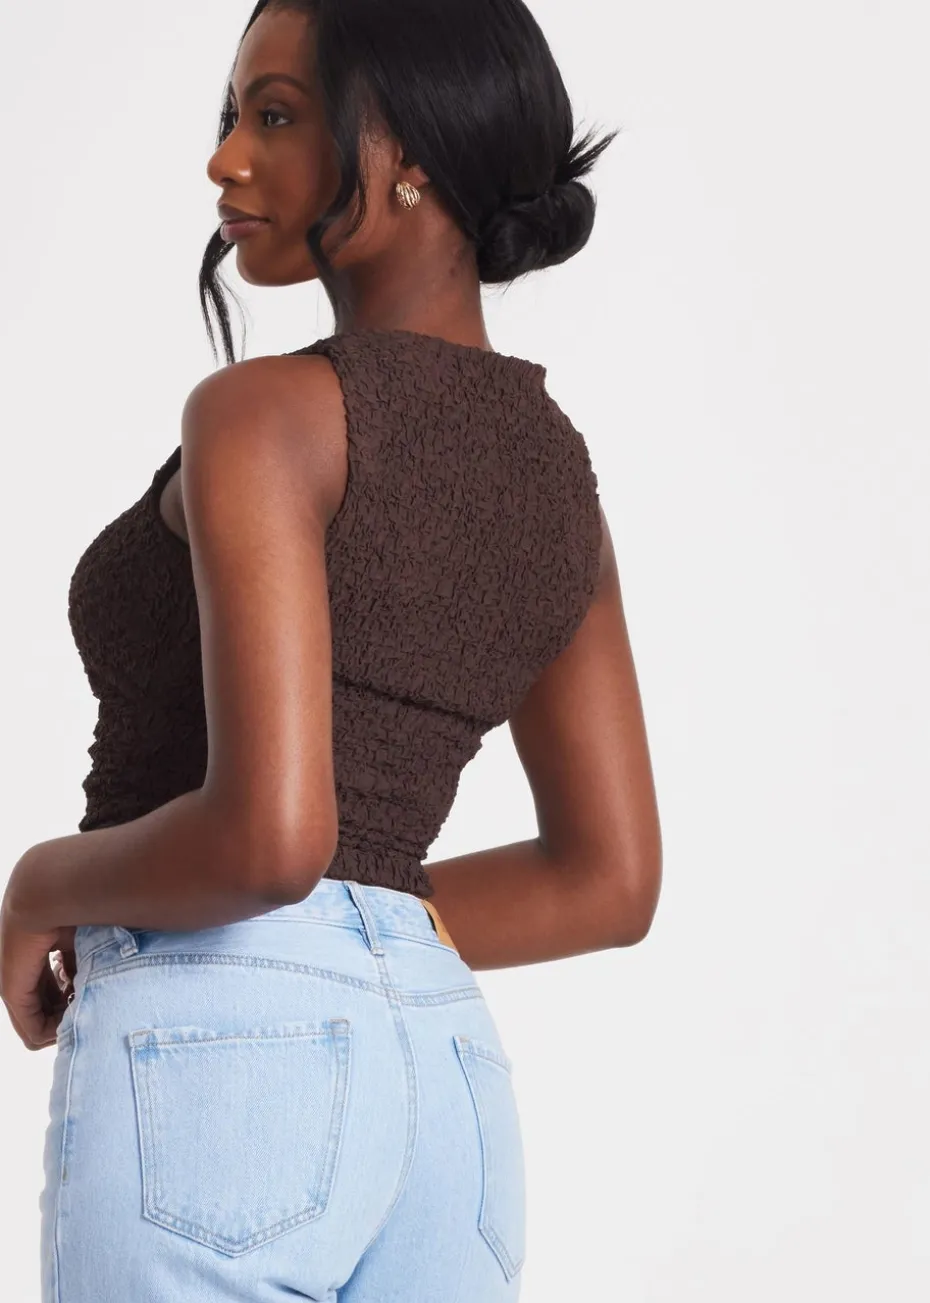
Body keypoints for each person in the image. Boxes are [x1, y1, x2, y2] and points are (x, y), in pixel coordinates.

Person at [0, 0, 662, 1298]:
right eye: (231, 114)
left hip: (223, 1058)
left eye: (277, 115)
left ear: (404, 148)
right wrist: (368, 935)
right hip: (446, 1090)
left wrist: (40, 883)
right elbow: (609, 879)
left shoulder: (266, 416)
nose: (225, 158)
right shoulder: (558, 482)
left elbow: (273, 840)